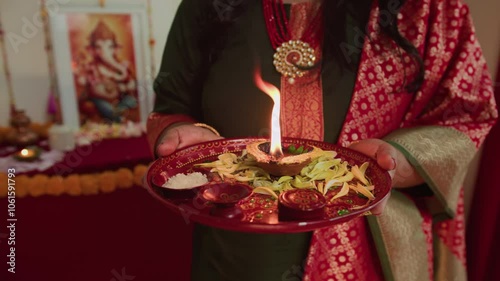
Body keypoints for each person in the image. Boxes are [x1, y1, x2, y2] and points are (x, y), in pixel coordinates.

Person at [146, 0, 498, 280]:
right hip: (236, 251)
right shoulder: (208, 5)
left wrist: (401, 161)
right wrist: (186, 138)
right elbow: (171, 104)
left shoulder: (427, 8)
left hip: (369, 246)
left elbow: (467, 114)